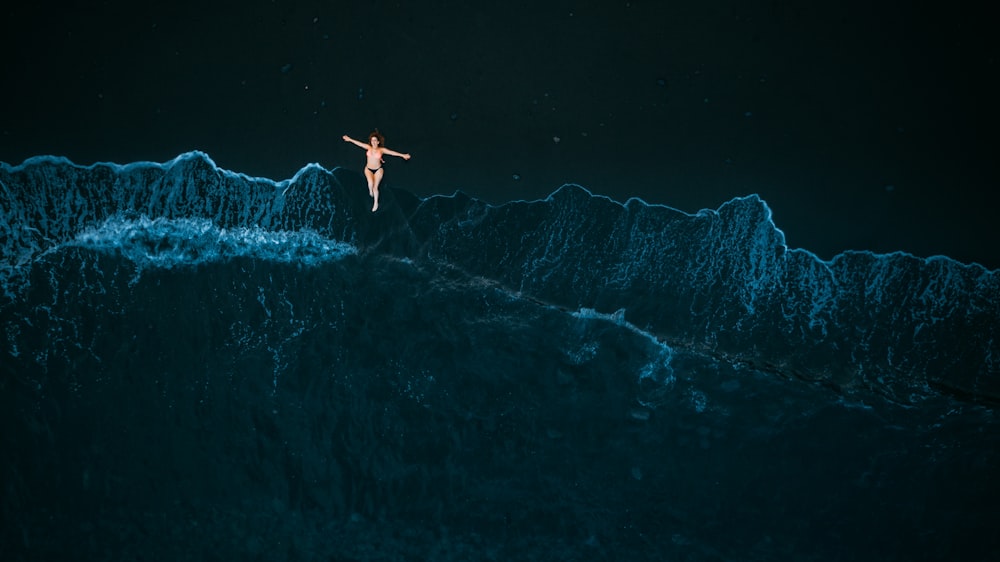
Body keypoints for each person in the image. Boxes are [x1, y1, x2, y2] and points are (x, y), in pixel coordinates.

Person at [342, 130, 411, 211]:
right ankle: (370, 191)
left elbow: (392, 153)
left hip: (378, 170)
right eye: (372, 140)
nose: (373, 142)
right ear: (371, 142)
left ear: (378, 142)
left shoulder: (381, 150)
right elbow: (359, 144)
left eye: (375, 140)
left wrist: (403, 155)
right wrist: (349, 139)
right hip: (368, 169)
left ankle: (375, 203)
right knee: (370, 183)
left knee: (375, 187)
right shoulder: (368, 147)